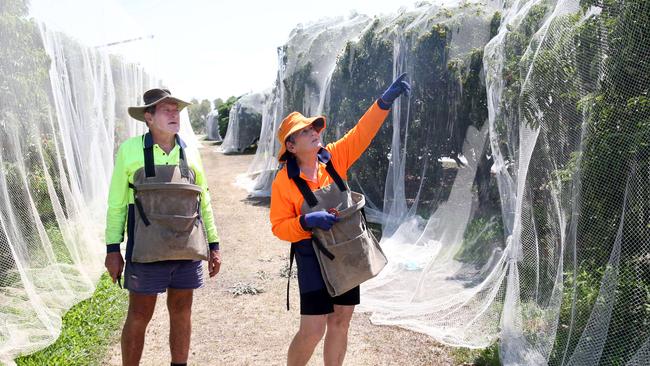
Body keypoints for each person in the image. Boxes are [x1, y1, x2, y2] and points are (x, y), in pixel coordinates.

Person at [270, 74, 410, 366]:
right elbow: (279, 226)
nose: (312, 132)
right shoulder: (284, 181)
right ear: (291, 146)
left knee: (342, 319)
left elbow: (363, 132)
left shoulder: (333, 157)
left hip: (346, 249)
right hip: (311, 255)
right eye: (304, 131)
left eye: (313, 127)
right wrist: (305, 224)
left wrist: (383, 103)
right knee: (313, 328)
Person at [104, 88, 222, 366]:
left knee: (182, 311)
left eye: (176, 110)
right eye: (166, 110)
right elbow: (117, 204)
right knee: (139, 315)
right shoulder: (130, 150)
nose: (174, 114)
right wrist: (112, 249)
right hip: (146, 250)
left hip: (186, 249)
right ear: (149, 117)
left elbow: (203, 201)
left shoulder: (190, 151)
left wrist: (214, 245)